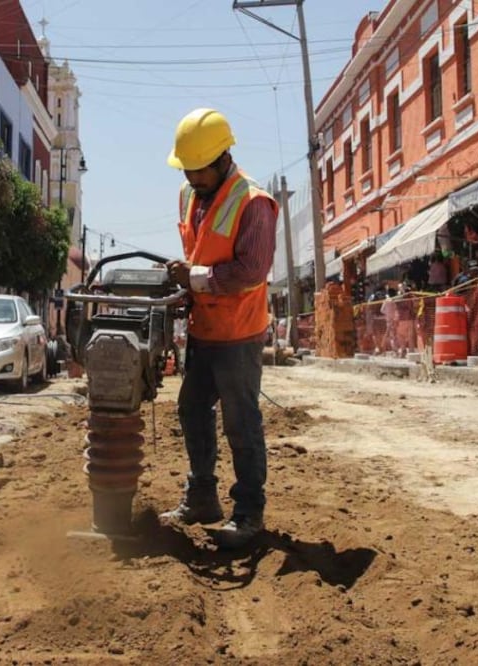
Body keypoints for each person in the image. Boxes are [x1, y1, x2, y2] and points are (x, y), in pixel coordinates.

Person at [162, 108, 278, 549]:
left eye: (198, 170)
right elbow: (199, 249)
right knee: (192, 410)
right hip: (204, 328)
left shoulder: (254, 202)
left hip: (239, 332)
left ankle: (248, 512)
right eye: (186, 169)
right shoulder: (189, 195)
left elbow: (251, 270)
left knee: (241, 422)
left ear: (222, 157)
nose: (192, 177)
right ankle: (202, 498)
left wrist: (193, 277)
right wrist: (184, 290)